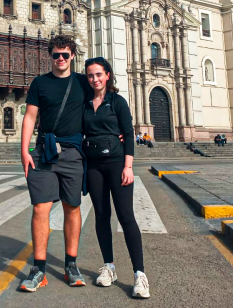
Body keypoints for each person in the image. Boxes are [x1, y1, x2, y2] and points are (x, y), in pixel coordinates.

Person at [20, 35, 90, 292]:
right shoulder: (40, 83)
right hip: (44, 150)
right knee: (41, 208)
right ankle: (39, 269)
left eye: (65, 54)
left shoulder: (82, 82)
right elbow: (30, 117)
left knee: (72, 207)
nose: (60, 58)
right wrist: (24, 151)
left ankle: (71, 264)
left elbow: (102, 103)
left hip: (73, 152)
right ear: (50, 56)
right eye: (56, 55)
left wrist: (119, 131)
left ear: (72, 56)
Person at [84, 57, 150, 299]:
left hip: (117, 163)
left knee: (126, 216)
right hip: (94, 165)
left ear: (108, 75)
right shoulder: (84, 103)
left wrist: (128, 166)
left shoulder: (117, 101)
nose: (95, 79)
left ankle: (140, 274)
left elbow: (128, 134)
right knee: (101, 216)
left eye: (99, 74)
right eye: (90, 75)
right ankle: (109, 267)